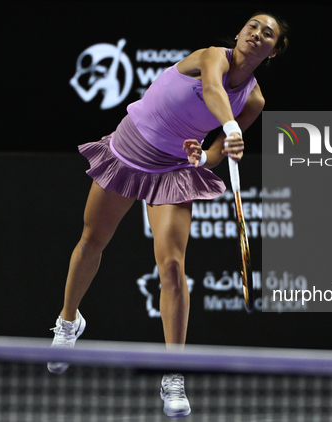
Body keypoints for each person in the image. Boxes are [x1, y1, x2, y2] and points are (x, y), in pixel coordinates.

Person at [47, 12, 289, 418]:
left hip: (172, 170)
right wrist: (230, 127)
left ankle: (173, 374)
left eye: (267, 34)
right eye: (252, 26)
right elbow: (212, 90)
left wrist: (204, 157)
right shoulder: (213, 56)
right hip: (127, 151)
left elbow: (213, 154)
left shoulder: (255, 100)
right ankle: (68, 322)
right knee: (92, 241)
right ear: (239, 32)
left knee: (173, 267)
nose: (256, 34)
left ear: (274, 51)